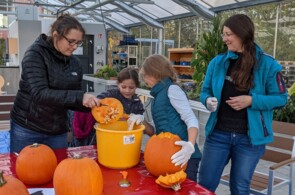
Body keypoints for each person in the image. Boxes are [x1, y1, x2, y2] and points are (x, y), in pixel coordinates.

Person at [198, 14, 288, 194]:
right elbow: (205, 91)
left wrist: (252, 101)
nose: (224, 39)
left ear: (242, 34)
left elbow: (281, 99)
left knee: (240, 187)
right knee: (204, 185)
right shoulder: (217, 63)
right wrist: (208, 100)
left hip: (249, 140)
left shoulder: (269, 65)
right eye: (223, 34)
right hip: (218, 135)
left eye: (228, 34)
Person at [10, 14, 100, 153]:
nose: (75, 47)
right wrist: (80, 97)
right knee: (24, 170)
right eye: (71, 41)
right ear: (56, 35)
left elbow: (72, 99)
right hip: (28, 128)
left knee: (57, 172)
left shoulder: (75, 63)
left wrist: (94, 106)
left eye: (79, 42)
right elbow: (39, 94)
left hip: (57, 131)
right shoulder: (35, 54)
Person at [139, 54, 202, 182]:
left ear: (155, 73)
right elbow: (156, 131)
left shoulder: (172, 89)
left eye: (145, 75)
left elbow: (191, 119)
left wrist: (190, 145)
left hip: (185, 156)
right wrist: (141, 121)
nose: (144, 79)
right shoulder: (158, 95)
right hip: (169, 157)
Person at [72, 67, 154, 146]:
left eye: (131, 88)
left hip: (125, 140)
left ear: (136, 86)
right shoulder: (110, 94)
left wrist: (140, 118)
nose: (127, 90)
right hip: (105, 137)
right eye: (124, 87)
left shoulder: (137, 103)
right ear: (118, 84)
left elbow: (142, 125)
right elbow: (98, 102)